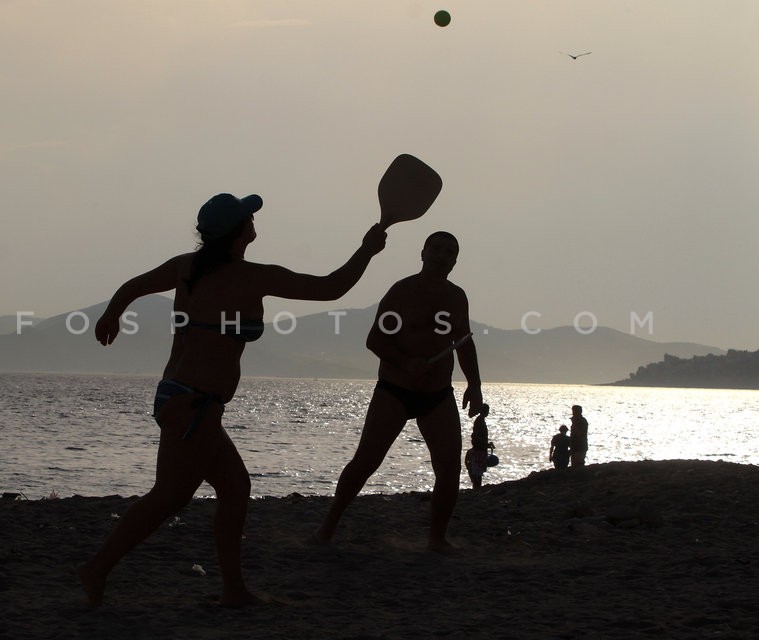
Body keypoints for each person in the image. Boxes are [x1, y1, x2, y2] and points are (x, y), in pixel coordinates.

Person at [78, 193, 386, 607]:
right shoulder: (250, 277)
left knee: (229, 489)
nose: (254, 220)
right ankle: (101, 568)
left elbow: (133, 287)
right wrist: (367, 250)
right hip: (194, 403)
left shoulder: (185, 267)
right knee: (171, 495)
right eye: (248, 217)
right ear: (239, 231)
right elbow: (331, 288)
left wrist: (111, 314)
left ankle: (230, 589)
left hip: (183, 398)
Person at [313, 231, 484, 552]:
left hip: (438, 394)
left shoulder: (457, 297)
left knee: (448, 470)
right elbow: (375, 340)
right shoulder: (402, 292)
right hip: (395, 390)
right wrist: (406, 362)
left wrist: (475, 385)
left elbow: (464, 342)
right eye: (436, 248)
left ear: (455, 261)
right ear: (423, 252)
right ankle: (328, 526)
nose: (441, 255)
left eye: (449, 251)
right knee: (365, 462)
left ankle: (437, 539)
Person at [464, 403, 498, 489]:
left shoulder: (480, 420)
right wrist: (486, 445)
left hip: (480, 449)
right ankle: (476, 488)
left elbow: (479, 437)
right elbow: (478, 437)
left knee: (478, 473)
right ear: (486, 411)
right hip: (479, 450)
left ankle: (476, 488)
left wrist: (487, 445)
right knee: (477, 474)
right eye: (487, 411)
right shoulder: (480, 421)